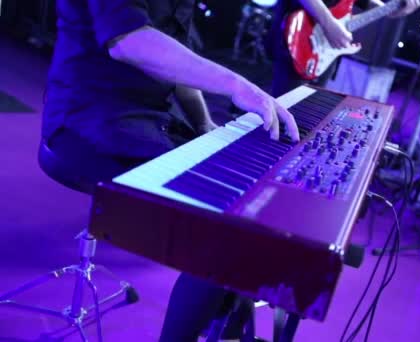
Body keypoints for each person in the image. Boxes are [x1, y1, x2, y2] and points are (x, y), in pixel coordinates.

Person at [42, 0, 299, 341]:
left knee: (253, 203)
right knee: (226, 228)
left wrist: (204, 122)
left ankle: (230, 324)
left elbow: (176, 60)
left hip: (148, 121)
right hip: (88, 121)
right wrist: (239, 85)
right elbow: (129, 42)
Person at [269, 0, 420, 97]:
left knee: (302, 117)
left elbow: (366, 2)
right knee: (281, 115)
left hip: (324, 52)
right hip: (299, 35)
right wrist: (329, 24)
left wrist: (393, 8)